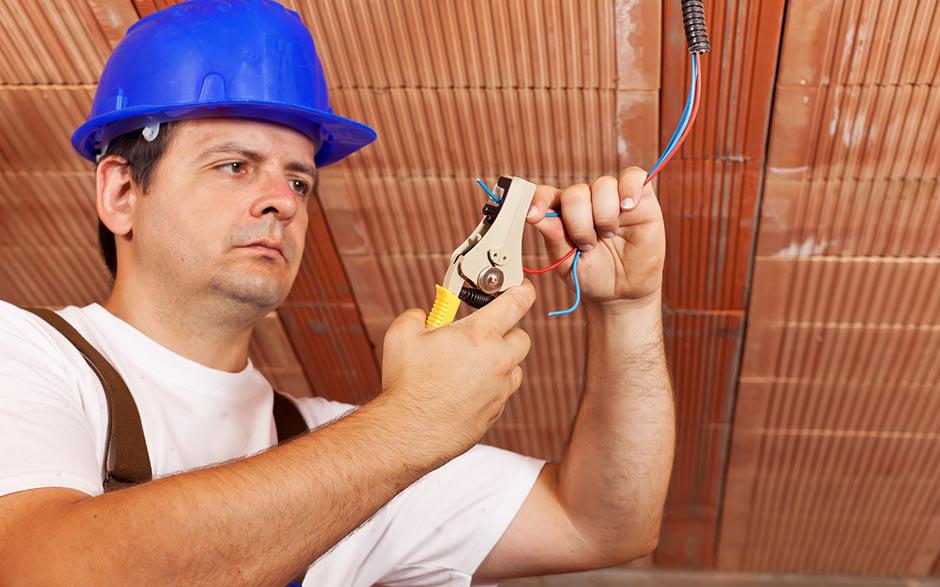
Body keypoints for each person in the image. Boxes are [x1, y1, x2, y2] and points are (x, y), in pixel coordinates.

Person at [0, 1, 674, 585]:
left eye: (298, 180)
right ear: (121, 192)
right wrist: (410, 425)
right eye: (234, 165)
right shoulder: (25, 355)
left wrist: (629, 309)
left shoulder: (339, 446)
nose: (283, 202)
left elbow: (600, 524)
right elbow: (38, 570)